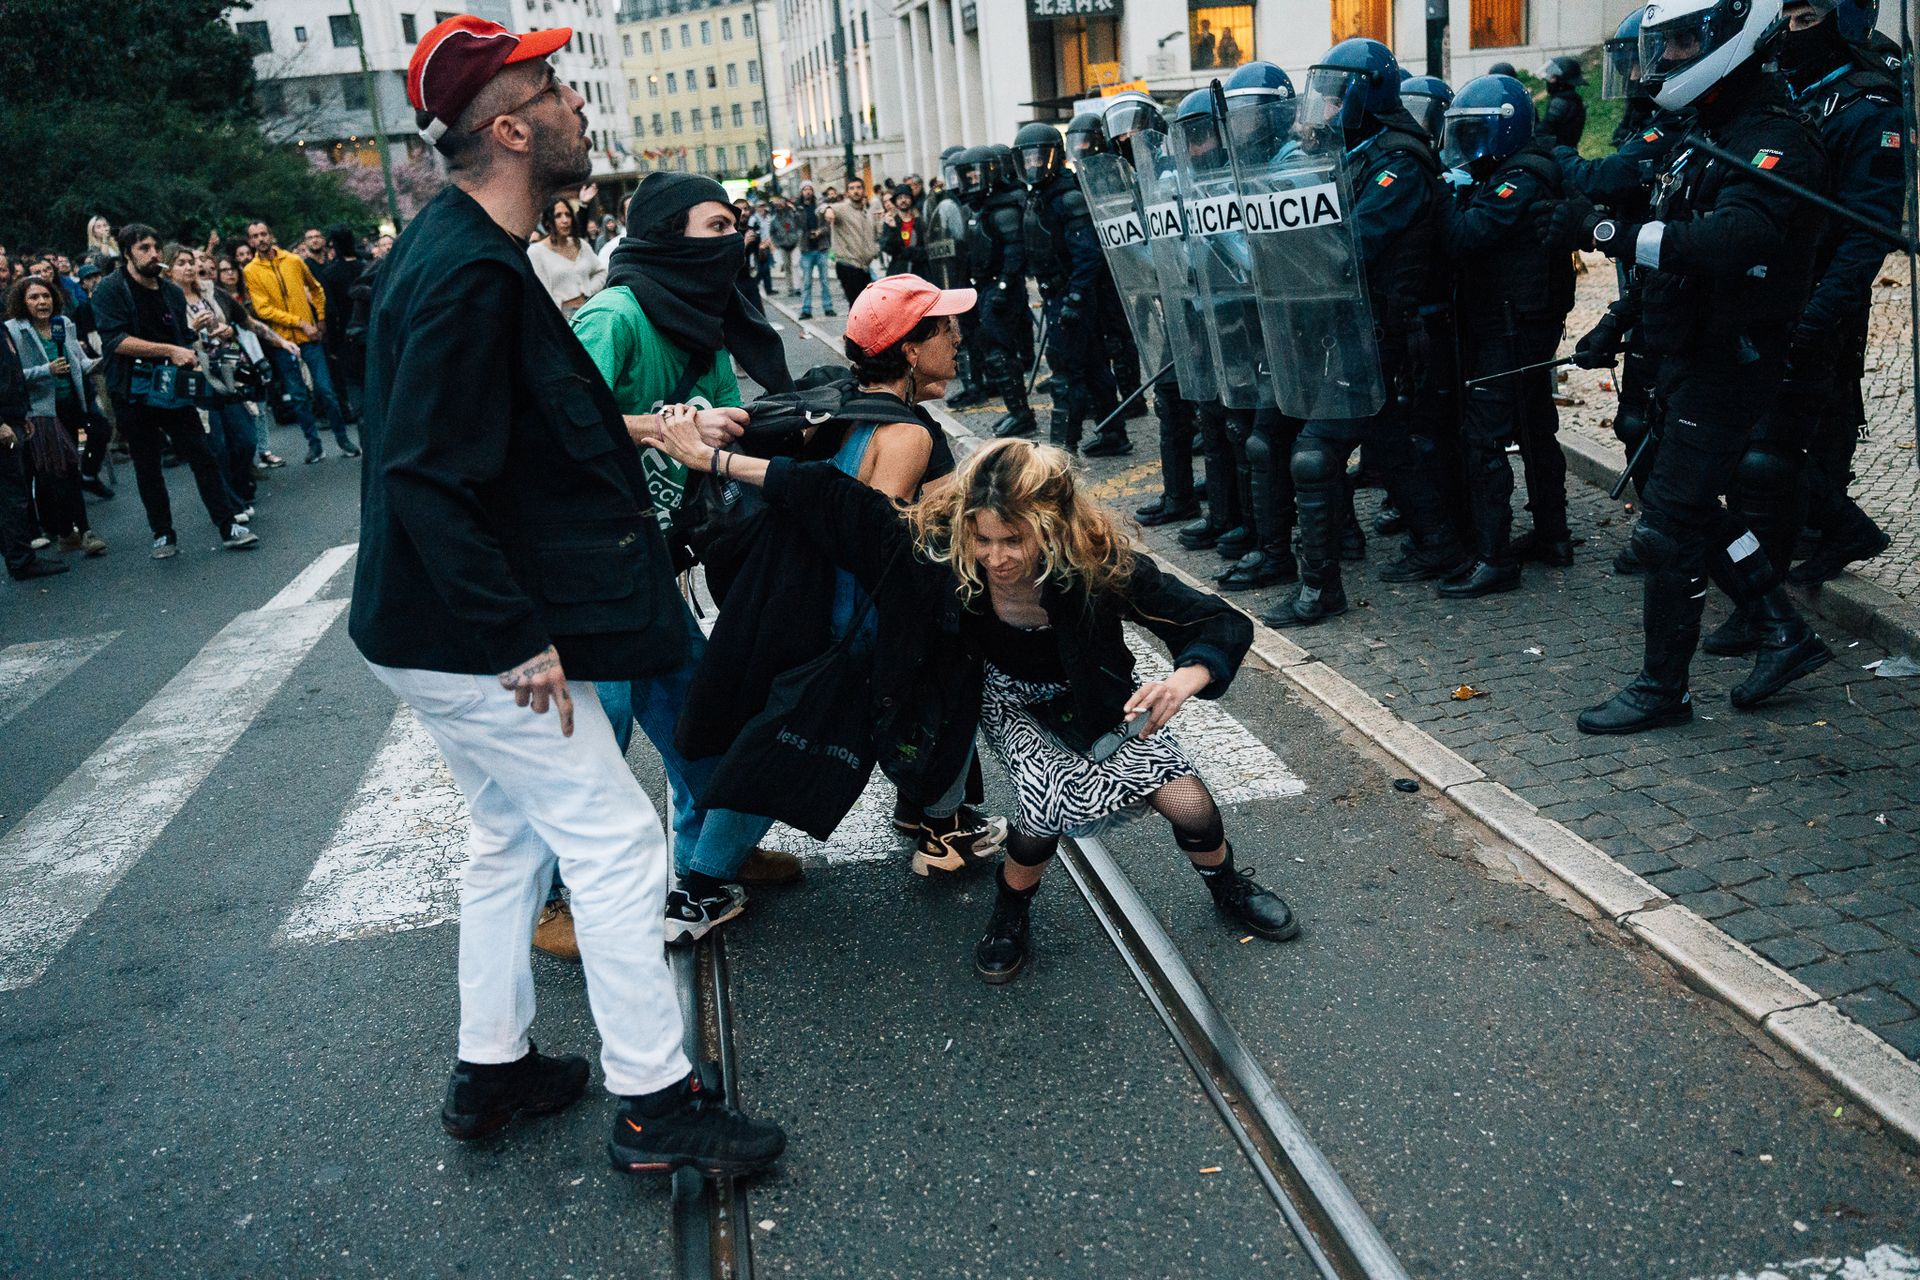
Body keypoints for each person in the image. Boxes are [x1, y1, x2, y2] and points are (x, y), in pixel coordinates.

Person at [353, 12, 784, 1174]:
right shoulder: (465, 273)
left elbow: (500, 437)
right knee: (613, 837)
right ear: (507, 128)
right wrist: (514, 635)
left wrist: (645, 433)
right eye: (553, 89)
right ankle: (655, 1101)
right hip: (468, 631)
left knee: (510, 833)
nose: (576, 102)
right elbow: (423, 471)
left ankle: (491, 1067)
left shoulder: (461, 248)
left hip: (429, 622)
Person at [641, 421, 1300, 985]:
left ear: (1052, 529)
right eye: (983, 540)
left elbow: (1216, 623)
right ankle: (1010, 916)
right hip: (1008, 701)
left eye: (1013, 541)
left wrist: (1184, 679)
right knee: (1040, 821)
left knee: (1191, 806)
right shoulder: (937, 553)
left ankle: (1227, 885)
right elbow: (832, 496)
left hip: (1098, 700)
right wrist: (716, 461)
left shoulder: (1098, 565)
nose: (996, 557)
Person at [1542, 0, 1834, 732]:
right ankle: (1782, 628)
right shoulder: (1707, 131)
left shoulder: (1772, 136)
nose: (1666, 57)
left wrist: (1607, 231)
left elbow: (1733, 239)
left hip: (1732, 360)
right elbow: (1674, 251)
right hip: (1687, 351)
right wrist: (1618, 322)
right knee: (1695, 507)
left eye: (1679, 40)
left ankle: (1661, 690)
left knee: (1668, 528)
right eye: (1664, 41)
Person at [570, 172, 803, 947]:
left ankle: (713, 853)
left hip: (652, 557)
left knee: (698, 711)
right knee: (595, 736)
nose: (734, 241)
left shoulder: (707, 316)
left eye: (736, 226)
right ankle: (555, 898)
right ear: (667, 237)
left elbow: (716, 426)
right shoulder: (616, 316)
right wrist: (655, 428)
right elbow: (557, 426)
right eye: (715, 227)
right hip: (592, 567)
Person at [1267, 38, 1473, 628]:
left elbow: (1350, 244)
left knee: (1315, 453)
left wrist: (1284, 244)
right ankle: (1442, 545)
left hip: (1385, 329)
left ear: (1365, 97)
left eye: (1336, 100)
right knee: (1391, 445)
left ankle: (1320, 589)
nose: (1327, 110)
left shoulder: (1399, 162)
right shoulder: (1363, 151)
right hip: (1362, 326)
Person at [1771, 0, 1902, 588]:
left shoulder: (1870, 106)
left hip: (1826, 293)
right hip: (1783, 286)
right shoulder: (1800, 93)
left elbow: (1867, 230)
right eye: (1787, 20)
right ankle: (1808, 524)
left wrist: (1822, 311)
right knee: (1780, 424)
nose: (1791, 33)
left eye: (1806, 19)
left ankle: (1839, 531)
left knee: (1820, 413)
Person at [1435, 75, 1576, 597]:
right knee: (1534, 426)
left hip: (1515, 324)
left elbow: (1464, 236)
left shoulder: (1520, 177)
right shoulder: (1513, 170)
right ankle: (1552, 536)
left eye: (1476, 133)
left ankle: (1495, 558)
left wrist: (1444, 192)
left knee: (1485, 435)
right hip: (1519, 319)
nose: (1468, 144)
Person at [91, 224, 256, 559]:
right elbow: (116, 341)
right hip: (132, 391)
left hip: (172, 386)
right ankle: (163, 534)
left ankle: (228, 526)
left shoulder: (171, 291)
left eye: (156, 247)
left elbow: (180, 335)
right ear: (127, 254)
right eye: (144, 248)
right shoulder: (111, 289)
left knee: (202, 454)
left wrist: (201, 336)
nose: (153, 254)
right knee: (147, 465)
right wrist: (170, 350)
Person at [1015, 121, 1123, 457]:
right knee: (1092, 366)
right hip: (1057, 294)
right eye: (1028, 158)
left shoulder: (1067, 198)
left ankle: (1064, 446)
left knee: (1067, 373)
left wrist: (1074, 298)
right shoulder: (1039, 197)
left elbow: (1088, 255)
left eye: (1039, 157)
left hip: (1072, 296)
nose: (1033, 164)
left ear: (1053, 156)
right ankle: (1113, 433)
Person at [244, 219, 360, 464]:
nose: (260, 239)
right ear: (250, 241)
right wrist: (299, 322)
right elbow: (263, 309)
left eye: (263, 234)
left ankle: (343, 439)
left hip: (309, 338)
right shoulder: (251, 271)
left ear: (270, 235)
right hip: (282, 341)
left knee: (326, 390)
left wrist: (320, 319)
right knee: (298, 397)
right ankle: (314, 445)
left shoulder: (294, 261)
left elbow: (316, 289)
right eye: (255, 236)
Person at [6, 278, 104, 557]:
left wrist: (104, 360)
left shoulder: (64, 324)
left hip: (70, 404)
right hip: (39, 413)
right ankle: (83, 531)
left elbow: (80, 363)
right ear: (22, 302)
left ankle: (65, 532)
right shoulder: (13, 331)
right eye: (34, 297)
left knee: (66, 468)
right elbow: (12, 375)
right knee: (60, 472)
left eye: (46, 296)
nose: (42, 302)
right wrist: (46, 370)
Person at [209, 255, 290, 470]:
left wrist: (282, 341)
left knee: (259, 405)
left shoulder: (235, 296)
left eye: (231, 269)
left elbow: (251, 323)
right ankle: (245, 462)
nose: (228, 273)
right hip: (223, 363)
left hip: (251, 354)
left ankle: (263, 451)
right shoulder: (203, 300)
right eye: (223, 270)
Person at [1, 322, 68, 580]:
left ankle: (18, 555)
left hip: (13, 415)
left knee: (14, 492)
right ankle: (20, 560)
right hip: (5, 422)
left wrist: (23, 413)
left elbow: (12, 371)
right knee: (11, 495)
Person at [314, 227, 369, 424]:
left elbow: (331, 311)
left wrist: (333, 344)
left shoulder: (330, 273)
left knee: (354, 385)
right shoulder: (366, 267)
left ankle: (363, 426)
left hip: (347, 336)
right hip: (371, 331)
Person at [528, 196, 606, 315]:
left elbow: (601, 272)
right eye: (558, 216)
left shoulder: (581, 244)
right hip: (561, 317)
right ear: (548, 221)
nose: (565, 220)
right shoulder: (536, 252)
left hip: (588, 311)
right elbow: (540, 294)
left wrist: (588, 291)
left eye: (568, 215)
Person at [825, 177, 879, 307]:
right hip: (848, 265)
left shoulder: (866, 212)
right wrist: (828, 210)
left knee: (865, 307)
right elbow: (824, 208)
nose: (856, 191)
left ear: (864, 191)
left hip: (864, 267)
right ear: (847, 192)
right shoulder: (842, 208)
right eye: (852, 188)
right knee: (857, 305)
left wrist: (874, 250)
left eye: (858, 188)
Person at [795, 181, 834, 318]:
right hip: (806, 249)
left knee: (825, 281)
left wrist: (819, 232)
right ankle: (806, 310)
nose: (807, 191)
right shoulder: (798, 208)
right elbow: (795, 227)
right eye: (805, 189)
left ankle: (828, 307)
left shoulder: (820, 206)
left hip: (821, 247)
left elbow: (827, 225)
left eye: (809, 189)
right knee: (806, 282)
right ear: (801, 192)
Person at [1539, 56, 1588, 149]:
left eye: (1552, 77)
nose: (1548, 81)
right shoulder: (1573, 99)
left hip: (1557, 152)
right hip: (1567, 149)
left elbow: (1544, 130)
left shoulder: (1560, 102)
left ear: (1561, 79)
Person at [878, 185, 926, 278]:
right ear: (895, 202)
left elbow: (926, 248)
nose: (903, 200)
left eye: (906, 197)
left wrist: (909, 252)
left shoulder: (920, 222)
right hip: (898, 272)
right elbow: (887, 247)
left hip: (920, 271)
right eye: (900, 198)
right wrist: (893, 229)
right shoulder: (891, 221)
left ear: (911, 200)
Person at [769, 195, 801, 290]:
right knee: (787, 267)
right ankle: (790, 288)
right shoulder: (774, 218)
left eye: (782, 203)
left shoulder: (792, 214)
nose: (780, 205)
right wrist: (776, 243)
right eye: (778, 203)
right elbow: (772, 233)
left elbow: (800, 224)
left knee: (795, 265)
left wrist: (798, 238)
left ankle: (797, 287)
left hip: (794, 244)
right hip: (783, 245)